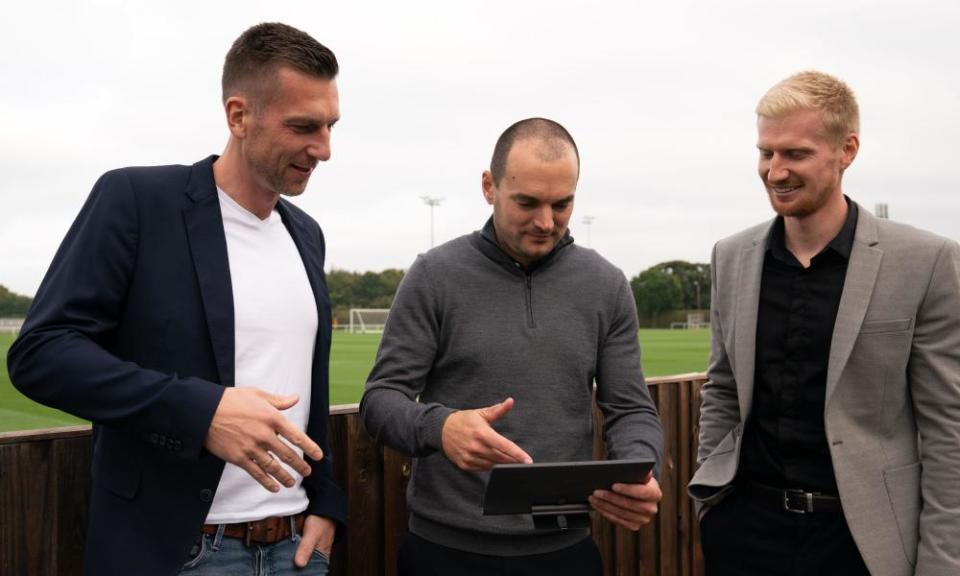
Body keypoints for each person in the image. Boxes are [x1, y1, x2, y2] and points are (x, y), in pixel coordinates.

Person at [8, 22, 346, 576]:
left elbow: (309, 391)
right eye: (304, 127)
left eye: (331, 126)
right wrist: (202, 411)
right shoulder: (137, 201)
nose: (325, 149)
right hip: (180, 552)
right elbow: (41, 353)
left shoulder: (306, 233)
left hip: (296, 551)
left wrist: (327, 505)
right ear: (239, 116)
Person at [360, 117, 664, 575]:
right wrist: (440, 427)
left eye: (562, 204)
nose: (546, 222)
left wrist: (641, 470)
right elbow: (379, 402)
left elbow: (632, 409)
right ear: (489, 186)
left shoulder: (606, 285)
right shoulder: (434, 276)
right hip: (445, 551)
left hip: (566, 551)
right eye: (527, 203)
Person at [688, 70, 960, 576]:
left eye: (795, 154)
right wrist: (711, 503)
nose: (774, 171)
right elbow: (723, 387)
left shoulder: (928, 263)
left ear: (847, 149)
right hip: (745, 535)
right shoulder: (732, 257)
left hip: (863, 545)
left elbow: (949, 432)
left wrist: (943, 563)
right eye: (766, 152)